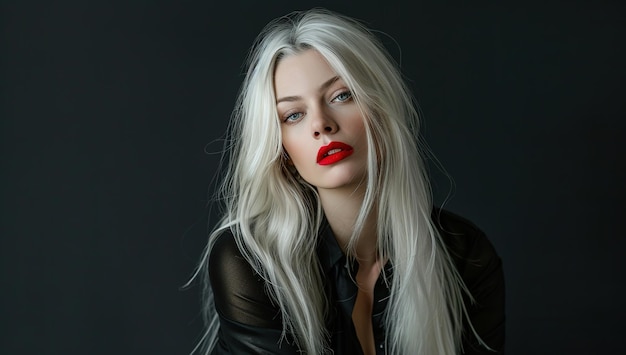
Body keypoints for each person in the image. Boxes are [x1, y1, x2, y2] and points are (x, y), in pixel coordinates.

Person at [191, 7, 505, 355]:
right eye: (293, 115)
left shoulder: (464, 254)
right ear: (282, 151)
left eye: (341, 96)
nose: (321, 124)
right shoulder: (250, 260)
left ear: (382, 110)